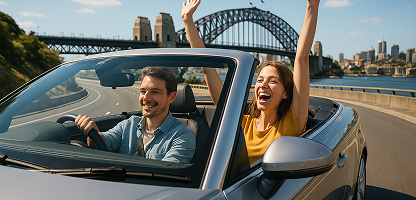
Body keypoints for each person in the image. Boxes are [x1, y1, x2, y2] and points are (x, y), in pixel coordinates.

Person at [182, 0, 319, 164]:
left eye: (273, 81)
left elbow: (301, 58)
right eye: (260, 79)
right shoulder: (242, 123)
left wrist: (312, 5)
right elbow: (208, 69)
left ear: (286, 93)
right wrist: (187, 20)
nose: (263, 84)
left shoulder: (292, 122)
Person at [75, 67, 196, 164]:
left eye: (155, 92)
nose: (146, 98)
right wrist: (91, 132)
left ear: (172, 97)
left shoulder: (182, 135)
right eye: (143, 91)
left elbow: (168, 177)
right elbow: (101, 144)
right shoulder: (128, 124)